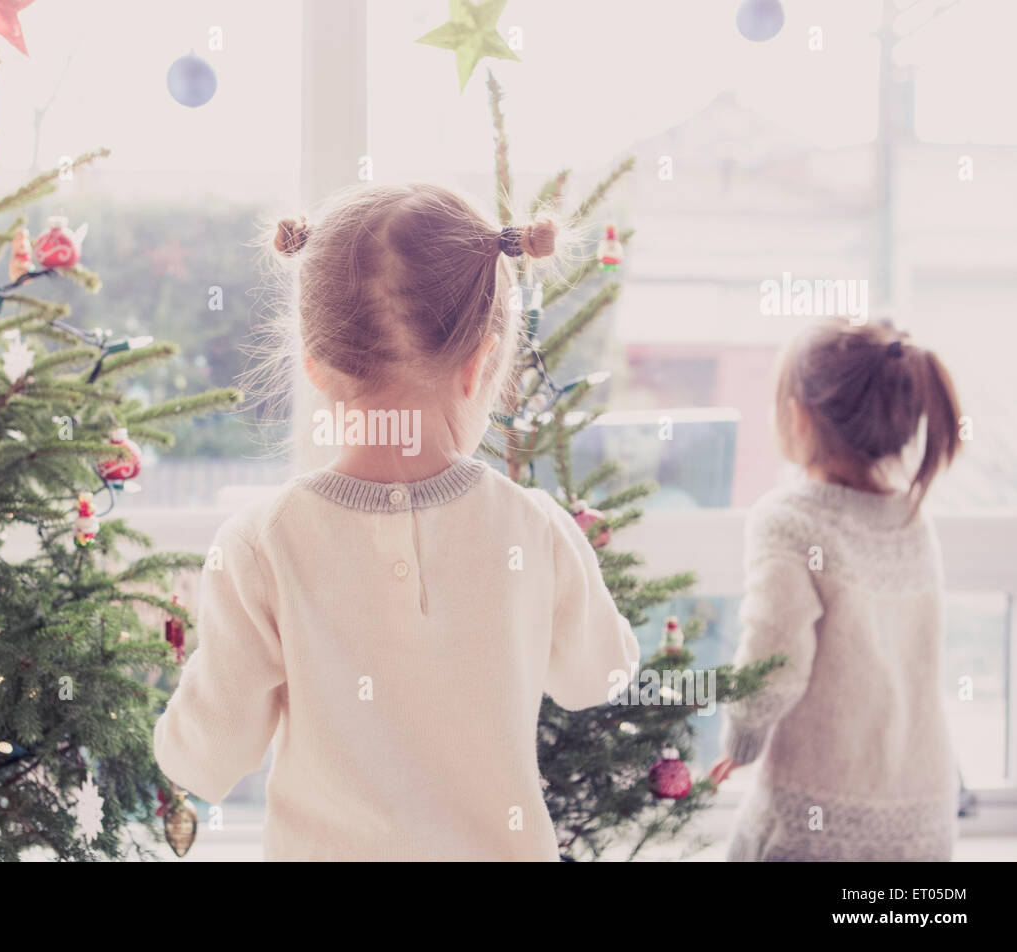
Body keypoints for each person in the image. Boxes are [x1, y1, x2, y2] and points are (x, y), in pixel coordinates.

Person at [153, 184, 638, 860]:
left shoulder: (262, 544)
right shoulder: (534, 528)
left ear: (315, 369)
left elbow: (204, 760)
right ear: (478, 368)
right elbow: (599, 677)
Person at [709, 319, 963, 861]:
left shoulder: (788, 520)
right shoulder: (913, 519)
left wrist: (742, 735)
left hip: (821, 818)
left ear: (798, 416)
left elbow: (773, 654)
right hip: (923, 812)